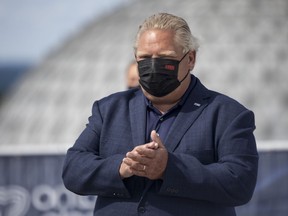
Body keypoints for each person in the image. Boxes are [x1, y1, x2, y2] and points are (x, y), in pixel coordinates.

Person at [62, 13, 258, 216]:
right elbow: (73, 170)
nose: (154, 66)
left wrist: (169, 168)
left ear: (190, 59)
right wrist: (123, 166)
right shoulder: (109, 109)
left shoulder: (227, 114)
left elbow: (240, 183)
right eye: (145, 58)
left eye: (165, 58)